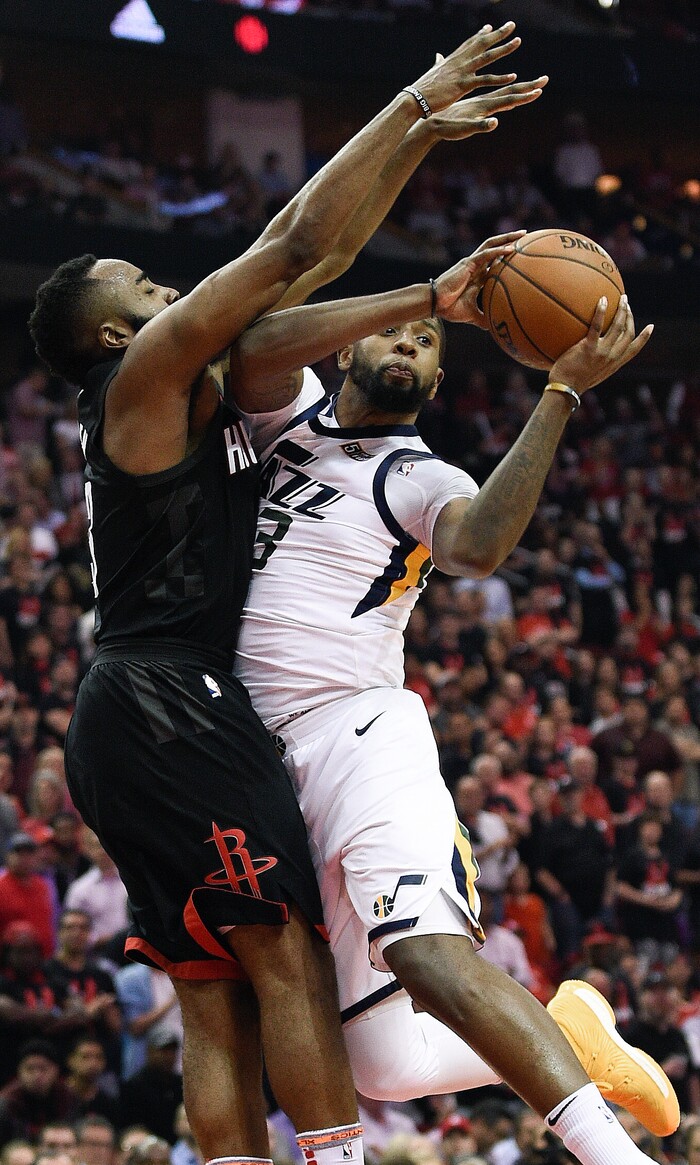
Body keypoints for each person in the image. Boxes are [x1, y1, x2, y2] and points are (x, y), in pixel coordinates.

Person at [28, 25, 545, 1165]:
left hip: (128, 710)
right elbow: (298, 240)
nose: (171, 287)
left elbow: (313, 260)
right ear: (117, 331)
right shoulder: (151, 369)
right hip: (175, 697)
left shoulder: (181, 381)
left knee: (213, 991)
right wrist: (411, 106)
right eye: (147, 287)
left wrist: (415, 137)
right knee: (283, 951)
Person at [229, 274, 679, 1165]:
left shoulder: (419, 474)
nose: (408, 343)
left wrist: (560, 392)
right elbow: (252, 348)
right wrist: (425, 298)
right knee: (386, 1063)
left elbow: (474, 546)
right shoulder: (286, 416)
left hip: (363, 735)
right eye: (394, 332)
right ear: (347, 347)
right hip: (266, 762)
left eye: (427, 342)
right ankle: (568, 1033)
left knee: (428, 957)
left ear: (436, 383)